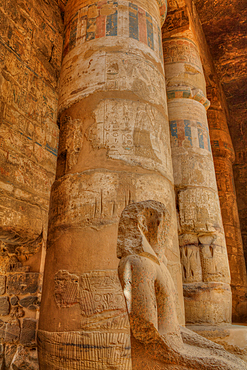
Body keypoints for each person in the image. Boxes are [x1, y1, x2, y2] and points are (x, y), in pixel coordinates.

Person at [117, 200, 247, 370]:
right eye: (164, 226)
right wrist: (191, 358)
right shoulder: (137, 263)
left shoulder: (155, 266)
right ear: (143, 224)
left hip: (172, 347)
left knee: (233, 359)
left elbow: (173, 329)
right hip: (160, 355)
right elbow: (145, 330)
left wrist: (212, 348)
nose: (168, 236)